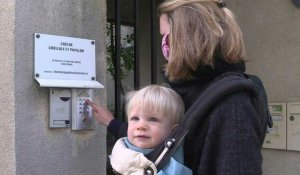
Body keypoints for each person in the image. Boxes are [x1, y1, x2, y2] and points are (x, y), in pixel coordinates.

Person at [88, 0, 267, 174]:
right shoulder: (188, 89)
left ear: (186, 36)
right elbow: (159, 138)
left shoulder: (232, 103)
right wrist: (111, 122)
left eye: (165, 34)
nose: (163, 44)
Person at [104, 85, 192, 175]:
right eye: (135, 118)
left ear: (173, 130)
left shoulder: (174, 163)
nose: (141, 126)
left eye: (153, 119)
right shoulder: (119, 154)